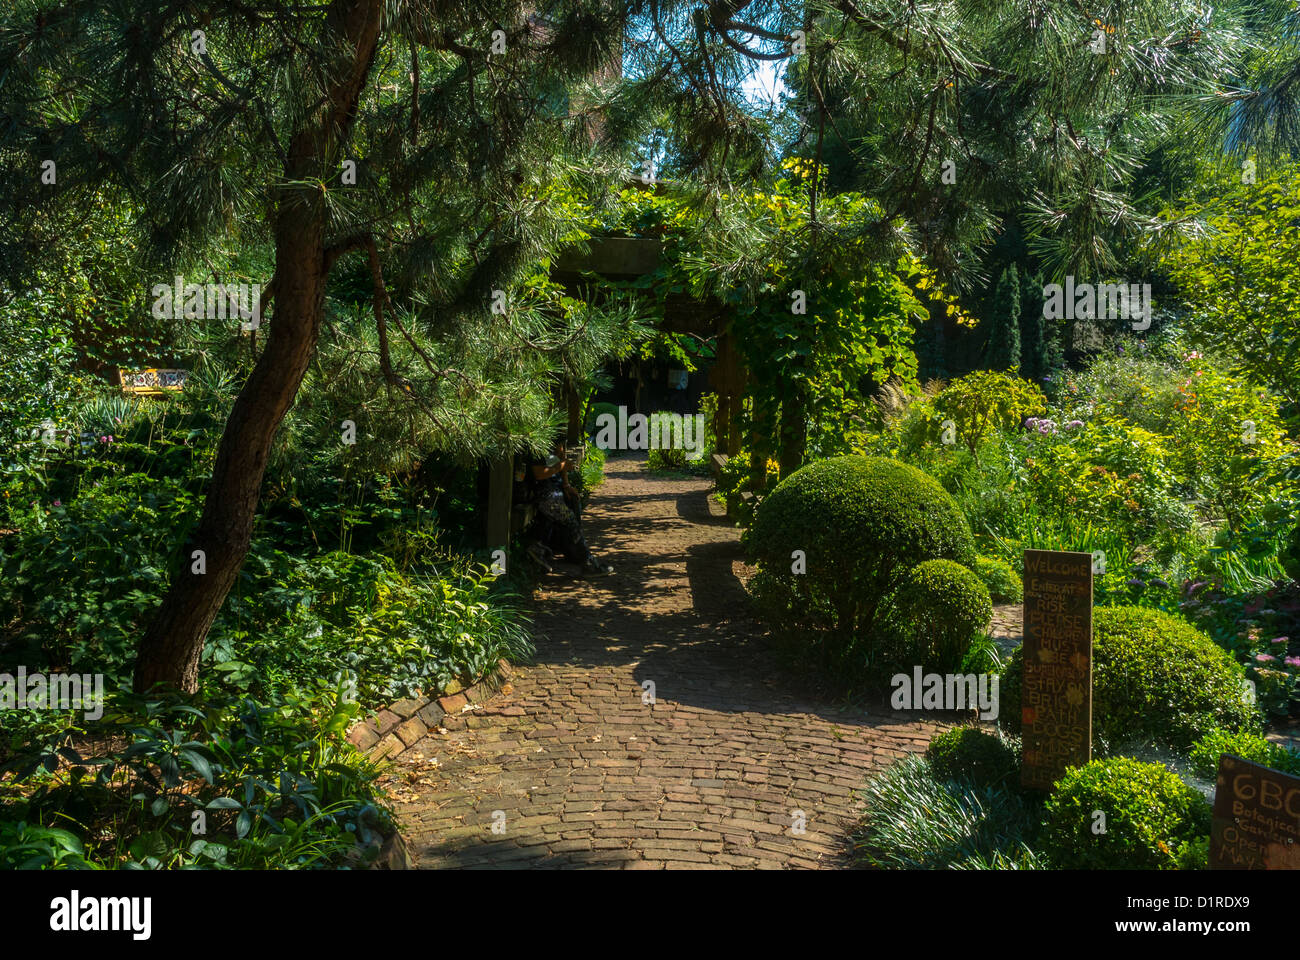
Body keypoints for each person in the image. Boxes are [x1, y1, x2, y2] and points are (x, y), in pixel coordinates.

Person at [525, 438, 613, 576]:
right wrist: (561, 466)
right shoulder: (535, 441)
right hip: (539, 493)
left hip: (553, 490)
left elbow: (561, 457)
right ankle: (587, 563)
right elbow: (539, 473)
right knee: (569, 520)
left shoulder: (554, 435)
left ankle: (565, 552)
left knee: (572, 502)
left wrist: (566, 485)